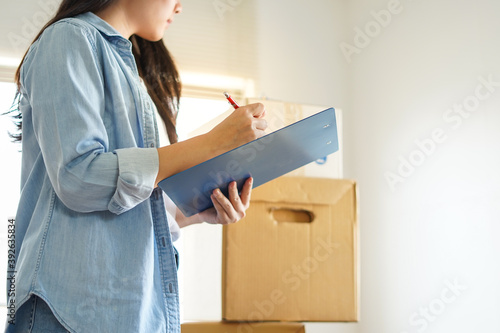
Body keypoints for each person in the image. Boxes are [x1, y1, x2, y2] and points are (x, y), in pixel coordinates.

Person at [4, 0, 267, 332]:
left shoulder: (133, 72)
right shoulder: (68, 39)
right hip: (67, 313)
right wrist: (213, 143)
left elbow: (128, 202)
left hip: (132, 314)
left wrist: (196, 210)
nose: (180, 7)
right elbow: (78, 177)